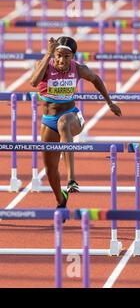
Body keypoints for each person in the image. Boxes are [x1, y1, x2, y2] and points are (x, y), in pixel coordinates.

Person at [30, 36, 122, 212]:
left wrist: (109, 102)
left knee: (64, 123)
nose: (61, 60)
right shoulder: (44, 65)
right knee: (50, 171)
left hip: (72, 116)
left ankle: (71, 178)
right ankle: (61, 200)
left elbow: (96, 79)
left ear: (72, 57)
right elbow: (34, 82)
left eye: (66, 56)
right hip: (48, 120)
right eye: (58, 55)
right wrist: (48, 54)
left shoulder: (79, 69)